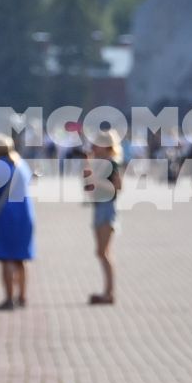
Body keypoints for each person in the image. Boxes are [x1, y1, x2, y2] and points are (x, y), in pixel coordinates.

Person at [0, 135, 34, 309]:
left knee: (6, 257)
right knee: (20, 257)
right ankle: (23, 296)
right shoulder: (22, 164)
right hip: (25, 214)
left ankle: (9, 299)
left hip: (5, 215)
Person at [83, 129, 124, 305]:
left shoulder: (111, 163)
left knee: (103, 252)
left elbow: (117, 187)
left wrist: (97, 181)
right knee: (101, 252)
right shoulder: (98, 163)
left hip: (108, 207)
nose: (94, 146)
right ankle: (107, 291)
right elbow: (89, 188)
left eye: (98, 143)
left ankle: (109, 292)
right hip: (98, 206)